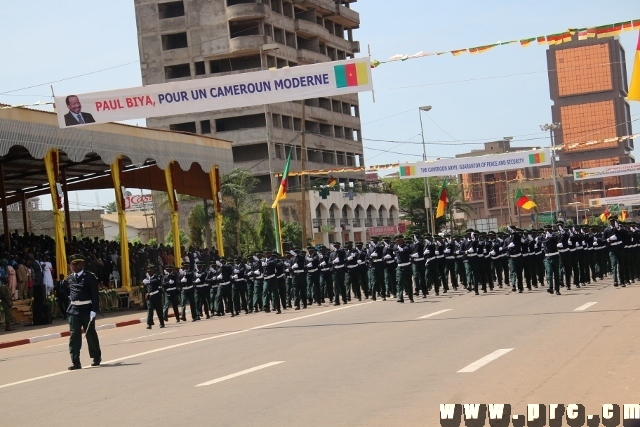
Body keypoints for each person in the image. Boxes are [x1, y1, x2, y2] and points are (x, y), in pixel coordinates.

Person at [66, 254, 101, 370]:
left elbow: (95, 295)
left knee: (90, 333)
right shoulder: (70, 278)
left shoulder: (90, 277)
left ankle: (96, 357)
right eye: (72, 264)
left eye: (76, 264)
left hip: (86, 309)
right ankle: (75, 361)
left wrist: (94, 310)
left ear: (82, 265)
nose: (73, 266)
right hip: (74, 310)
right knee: (74, 335)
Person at [142, 265, 165, 329]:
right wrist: (146, 293)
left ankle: (162, 323)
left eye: (150, 271)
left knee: (159, 311)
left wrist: (149, 281)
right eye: (148, 271)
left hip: (156, 296)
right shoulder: (147, 278)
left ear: (153, 271)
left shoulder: (157, 276)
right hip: (150, 297)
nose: (149, 272)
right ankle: (149, 324)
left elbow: (156, 281)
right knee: (150, 310)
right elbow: (146, 287)